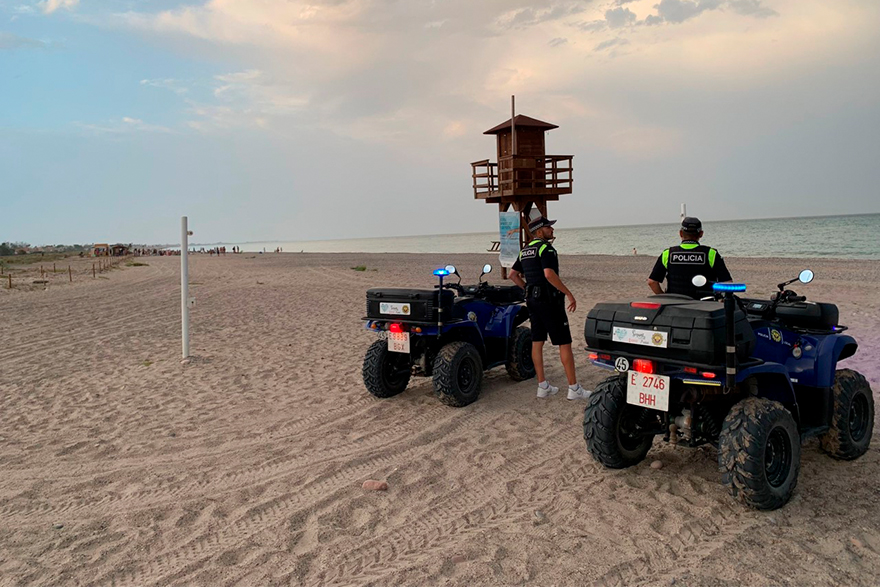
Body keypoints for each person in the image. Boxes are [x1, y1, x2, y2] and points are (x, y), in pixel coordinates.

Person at [509, 215, 591, 400]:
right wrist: (568, 293)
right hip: (549, 300)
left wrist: (527, 288)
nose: (552, 230)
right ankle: (573, 388)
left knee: (537, 341)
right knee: (564, 342)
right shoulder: (546, 249)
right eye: (548, 227)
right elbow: (548, 274)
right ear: (539, 231)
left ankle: (542, 385)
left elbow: (513, 275)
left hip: (532, 300)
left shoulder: (525, 251)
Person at [648, 216, 732, 299]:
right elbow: (727, 283)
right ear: (701, 234)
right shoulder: (711, 253)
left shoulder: (668, 253)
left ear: (680, 233)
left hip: (675, 305)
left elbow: (652, 282)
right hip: (706, 306)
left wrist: (665, 298)